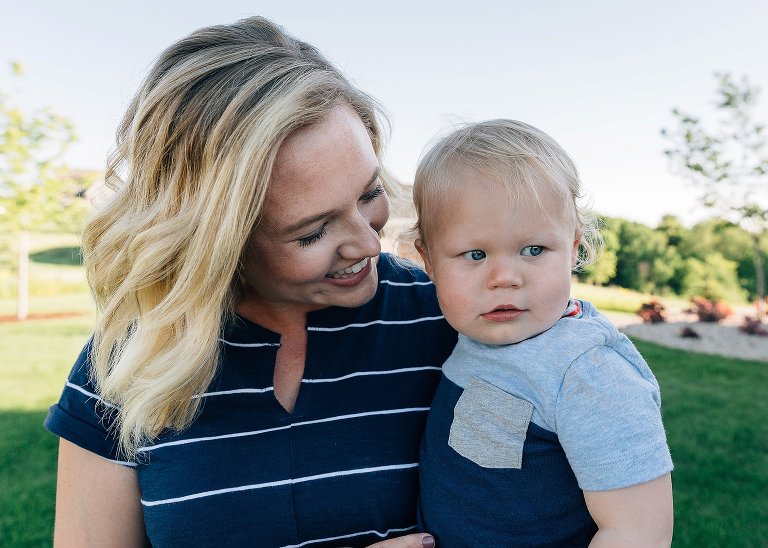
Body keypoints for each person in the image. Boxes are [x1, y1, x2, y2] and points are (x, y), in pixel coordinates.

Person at [44, 17, 456, 547]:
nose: (369, 244)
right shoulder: (127, 366)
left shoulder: (453, 321)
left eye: (369, 192)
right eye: (313, 232)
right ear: (217, 243)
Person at [411, 119, 674, 546]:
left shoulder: (588, 373)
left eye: (534, 250)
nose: (504, 277)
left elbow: (640, 531)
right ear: (429, 261)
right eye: (474, 254)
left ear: (572, 248)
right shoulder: (476, 335)